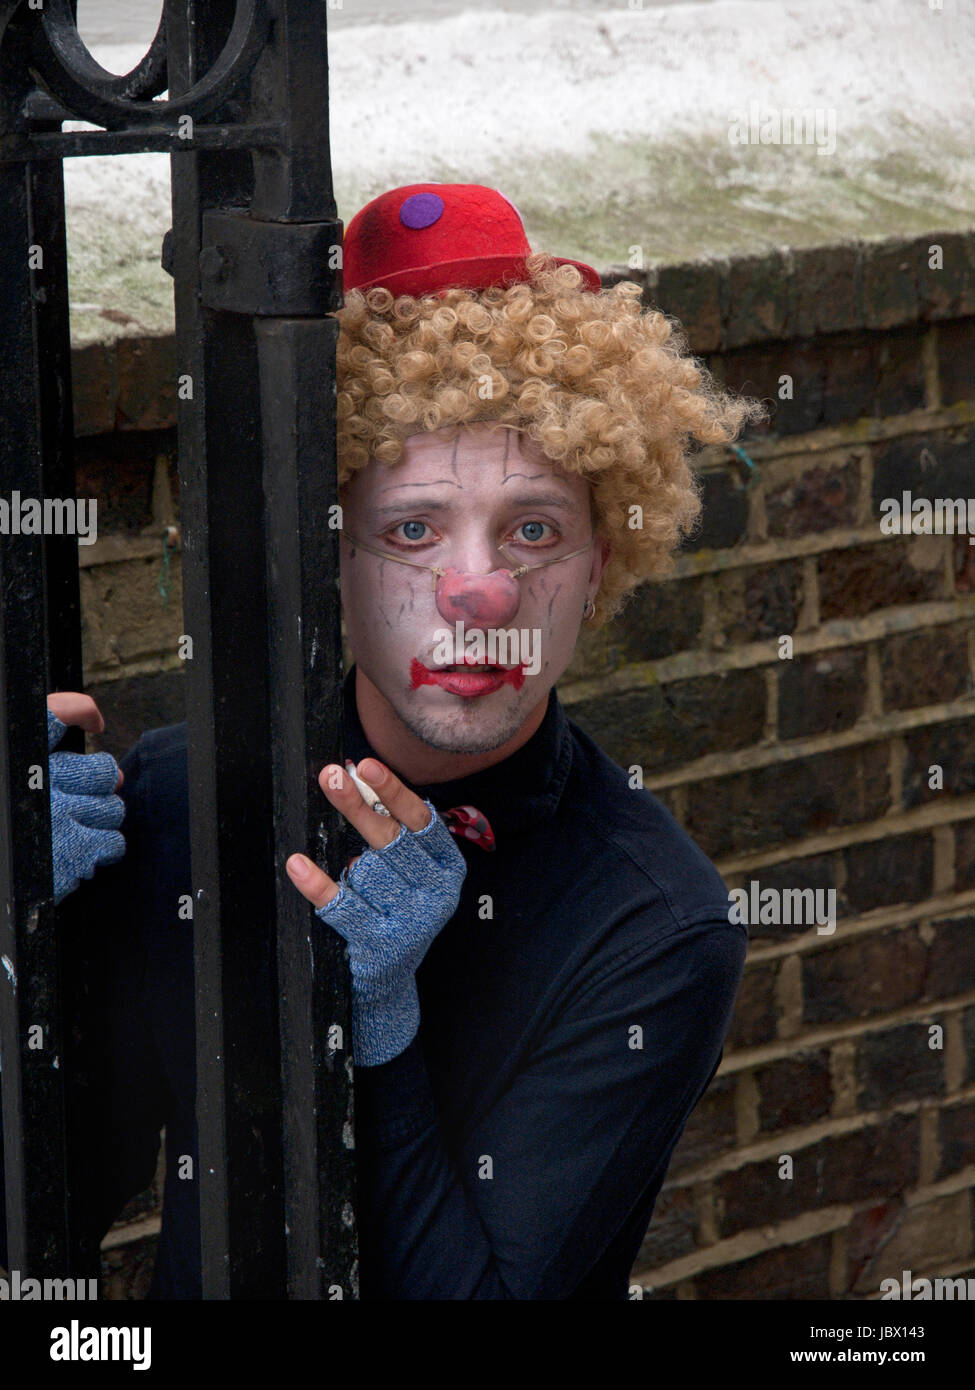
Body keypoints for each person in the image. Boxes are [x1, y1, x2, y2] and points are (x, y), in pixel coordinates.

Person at [9, 183, 762, 1298]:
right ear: (326, 566)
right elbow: (44, 1214)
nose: (480, 590)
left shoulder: (655, 924)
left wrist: (381, 1031)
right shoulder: (180, 803)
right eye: (413, 528)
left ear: (600, 563)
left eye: (536, 529)